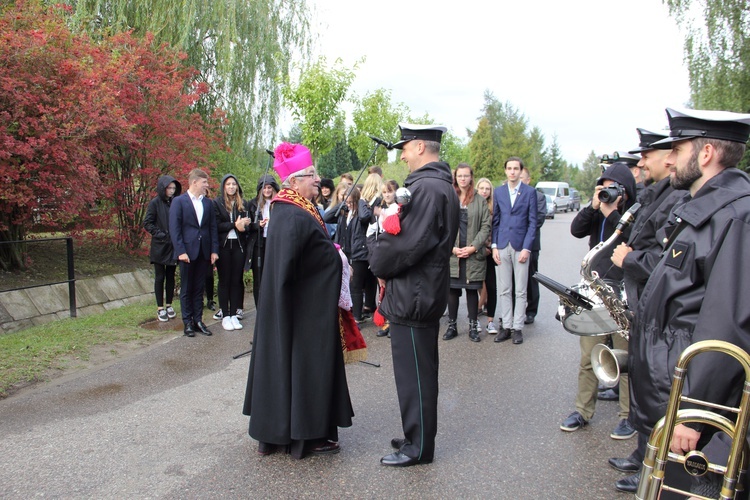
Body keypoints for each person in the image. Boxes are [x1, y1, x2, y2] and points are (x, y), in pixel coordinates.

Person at [628, 108, 750, 497]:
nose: (670, 159)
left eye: (678, 149)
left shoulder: (736, 215)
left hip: (690, 406)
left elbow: (725, 325)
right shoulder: (703, 207)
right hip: (669, 393)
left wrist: (694, 414)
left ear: (707, 152)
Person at [243, 142, 354, 460]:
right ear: (293, 181)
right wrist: (335, 259)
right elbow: (305, 265)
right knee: (304, 369)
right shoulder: (292, 213)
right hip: (304, 312)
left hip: (295, 308)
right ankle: (307, 436)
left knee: (283, 369)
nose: (318, 179)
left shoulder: (294, 208)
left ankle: (277, 433)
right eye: (311, 174)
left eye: (316, 173)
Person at [368, 123, 459, 467]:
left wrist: (374, 249)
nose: (402, 154)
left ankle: (418, 447)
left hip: (415, 293)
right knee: (413, 373)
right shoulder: (434, 185)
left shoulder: (428, 188)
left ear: (420, 147)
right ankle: (414, 433)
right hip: (417, 291)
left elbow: (407, 245)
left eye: (405, 148)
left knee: (416, 376)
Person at [605, 127, 686, 493]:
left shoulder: (677, 197)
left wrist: (630, 258)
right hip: (642, 302)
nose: (641, 163)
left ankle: (651, 464)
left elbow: (667, 259)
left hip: (657, 307)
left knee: (656, 390)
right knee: (640, 381)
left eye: (646, 156)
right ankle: (641, 454)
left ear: (667, 156)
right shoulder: (658, 194)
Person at [560, 161, 637, 439]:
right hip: (595, 291)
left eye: (611, 189)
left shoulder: (633, 213)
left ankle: (628, 416)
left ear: (625, 191)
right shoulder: (598, 210)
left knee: (624, 358)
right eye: (602, 188)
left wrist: (613, 212)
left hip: (623, 294)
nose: (606, 193)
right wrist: (594, 207)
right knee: (588, 356)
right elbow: (576, 230)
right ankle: (582, 410)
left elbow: (631, 239)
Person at [491, 157, 537, 345]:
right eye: (509, 168)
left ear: (520, 171)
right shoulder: (499, 192)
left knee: (520, 290)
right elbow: (496, 220)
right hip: (502, 245)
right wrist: (494, 246)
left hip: (521, 246)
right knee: (504, 289)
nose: (512, 172)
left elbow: (533, 222)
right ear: (505, 171)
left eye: (515, 168)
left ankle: (518, 327)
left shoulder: (529, 192)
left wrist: (527, 247)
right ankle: (506, 326)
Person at [444, 163, 491, 342]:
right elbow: (441, 225)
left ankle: (473, 327)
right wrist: (452, 248)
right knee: (453, 291)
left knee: (472, 291)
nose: (463, 179)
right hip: (453, 253)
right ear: (455, 178)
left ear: (471, 177)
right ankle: (452, 326)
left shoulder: (479, 200)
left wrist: (473, 247)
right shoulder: (449, 198)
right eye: (460, 176)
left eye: (466, 176)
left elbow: (486, 226)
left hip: (473, 254)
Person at [169, 168, 219, 337]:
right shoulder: (179, 202)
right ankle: (187, 322)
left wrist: (214, 250)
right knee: (187, 288)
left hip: (204, 252)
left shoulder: (208, 203)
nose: (207, 185)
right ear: (194, 182)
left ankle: (198, 320)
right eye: (204, 182)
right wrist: (181, 251)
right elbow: (174, 229)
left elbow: (212, 228)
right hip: (187, 253)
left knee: (199, 288)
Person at [324, 186, 375, 323]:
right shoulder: (343, 213)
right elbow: (327, 217)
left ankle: (357, 317)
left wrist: (360, 201)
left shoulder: (361, 212)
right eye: (347, 202)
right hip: (346, 253)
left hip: (359, 254)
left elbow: (366, 217)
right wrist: (342, 202)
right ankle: (351, 314)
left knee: (356, 286)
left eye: (351, 202)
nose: (349, 205)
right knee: (348, 284)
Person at [212, 174, 252, 331]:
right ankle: (226, 314)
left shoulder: (242, 203)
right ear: (223, 186)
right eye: (228, 184)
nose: (231, 187)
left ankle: (234, 314)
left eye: (233, 184)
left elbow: (246, 227)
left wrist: (244, 225)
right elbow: (216, 225)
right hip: (223, 246)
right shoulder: (217, 203)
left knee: (236, 280)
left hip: (238, 246)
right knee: (224, 280)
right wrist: (234, 225)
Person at [143, 175, 181, 322]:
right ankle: (160, 307)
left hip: (172, 245)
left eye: (173, 188)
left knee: (171, 275)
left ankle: (169, 304)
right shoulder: (155, 203)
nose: (171, 191)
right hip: (160, 245)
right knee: (160, 276)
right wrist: (161, 234)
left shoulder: (175, 203)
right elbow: (148, 223)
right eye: (169, 188)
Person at [244, 174, 279, 309]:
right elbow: (248, 226)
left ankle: (273, 306)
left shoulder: (278, 203)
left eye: (269, 188)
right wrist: (258, 224)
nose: (267, 191)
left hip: (274, 242)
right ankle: (260, 307)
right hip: (259, 243)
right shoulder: (253, 204)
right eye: (264, 188)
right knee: (258, 276)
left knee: (273, 275)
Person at [519, 169, 547, 325]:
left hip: (530, 245)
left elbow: (538, 220)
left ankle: (531, 311)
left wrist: (518, 231)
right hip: (513, 245)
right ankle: (515, 310)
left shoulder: (539, 197)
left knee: (530, 278)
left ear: (528, 180)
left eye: (522, 178)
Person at [476, 177, 499, 335]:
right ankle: (475, 317)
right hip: (477, 250)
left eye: (487, 188)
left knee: (491, 286)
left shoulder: (495, 207)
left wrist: (492, 246)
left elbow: (497, 228)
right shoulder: (472, 205)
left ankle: (490, 321)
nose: (484, 191)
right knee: (477, 285)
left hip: (491, 251)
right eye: (482, 188)